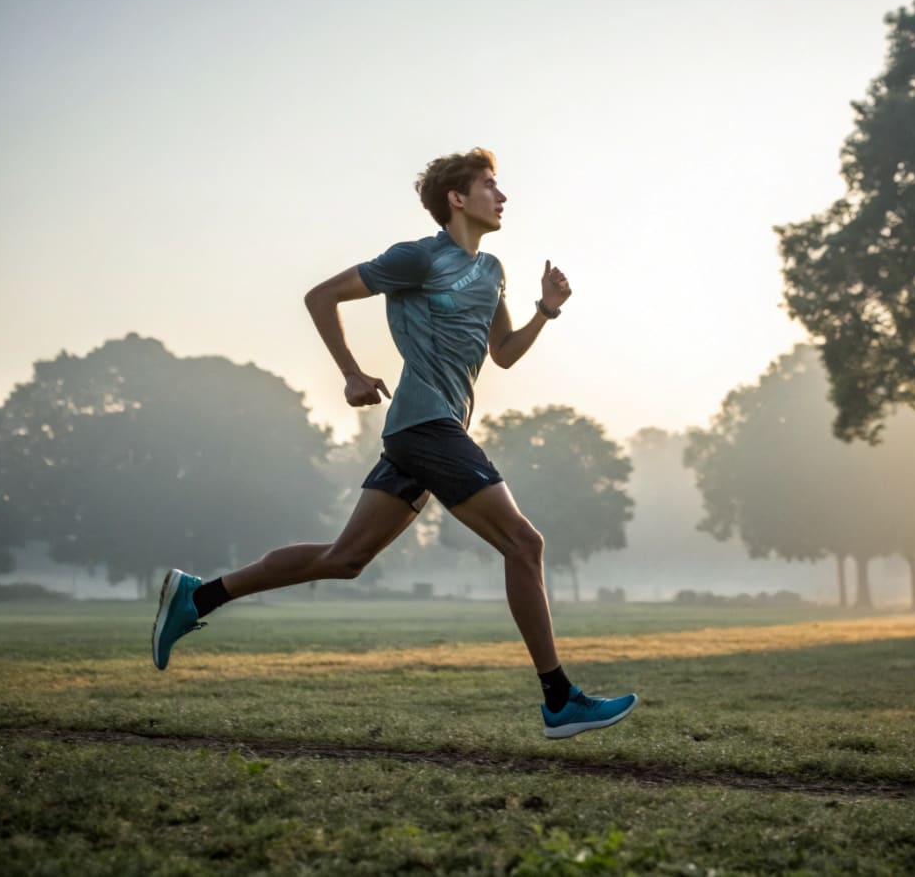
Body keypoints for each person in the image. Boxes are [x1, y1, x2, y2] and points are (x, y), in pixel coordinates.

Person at [152, 147, 638, 739]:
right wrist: (351, 373)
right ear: (457, 199)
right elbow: (320, 296)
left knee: (345, 559)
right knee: (524, 542)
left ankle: (197, 598)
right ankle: (560, 698)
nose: (503, 196)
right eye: (490, 185)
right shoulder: (416, 258)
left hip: (433, 431)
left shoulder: (492, 271)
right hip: (424, 426)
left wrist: (546, 311)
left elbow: (503, 355)